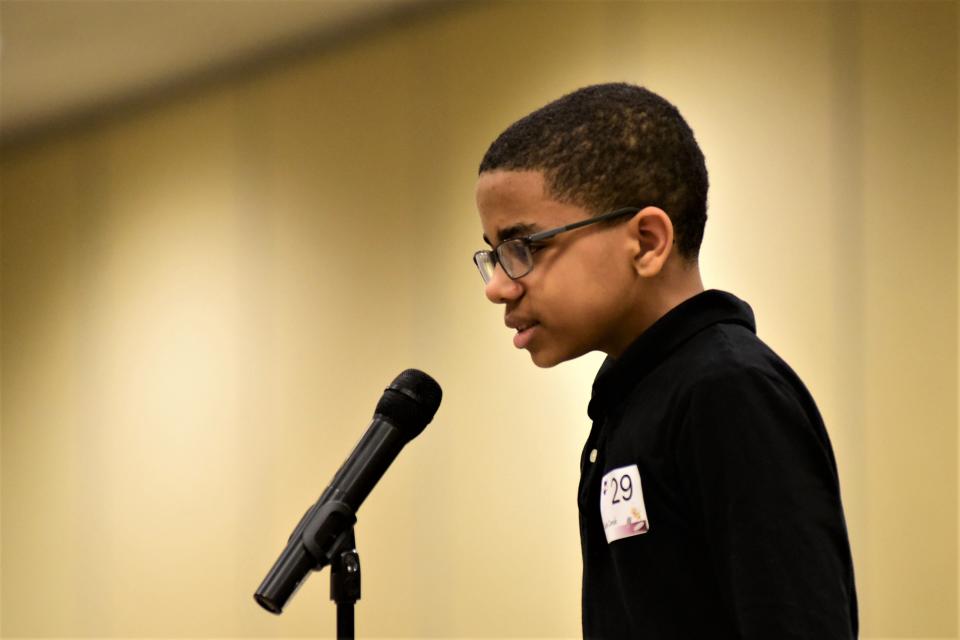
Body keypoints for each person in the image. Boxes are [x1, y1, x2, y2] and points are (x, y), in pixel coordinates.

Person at [471, 83, 858, 639]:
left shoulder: (728, 391)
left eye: (523, 247)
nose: (499, 287)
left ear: (647, 242)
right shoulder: (633, 401)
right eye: (493, 254)